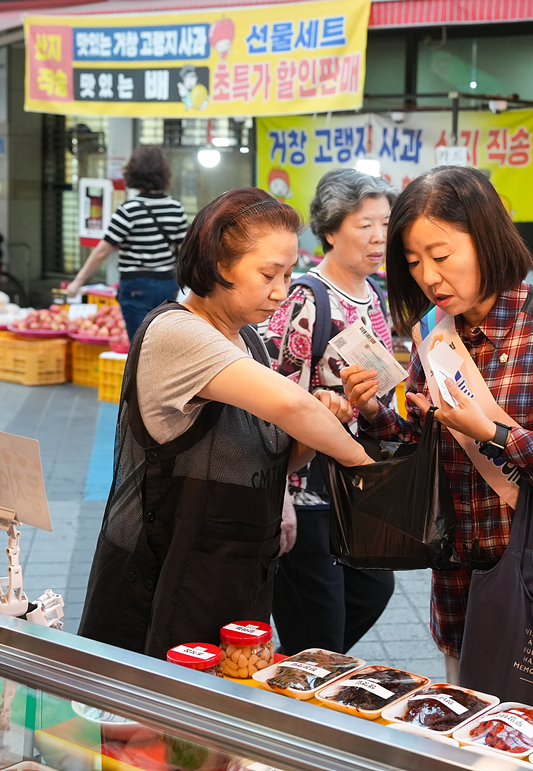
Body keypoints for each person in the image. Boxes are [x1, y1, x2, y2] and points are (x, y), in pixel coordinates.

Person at [342, 165, 533, 683]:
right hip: (460, 576)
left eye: (441, 256)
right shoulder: (434, 331)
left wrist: (495, 434)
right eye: (414, 261)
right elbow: (423, 436)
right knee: (464, 731)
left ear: (486, 239)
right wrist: (377, 412)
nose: (428, 276)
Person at [77, 187, 374, 659]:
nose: (282, 290)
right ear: (219, 265)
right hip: (162, 576)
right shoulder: (177, 332)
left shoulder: (249, 340)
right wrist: (363, 464)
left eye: (288, 272)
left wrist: (318, 429)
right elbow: (290, 409)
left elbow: (276, 454)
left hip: (232, 575)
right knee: (152, 724)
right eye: (268, 274)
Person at [259, 168, 397, 655]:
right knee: (318, 627)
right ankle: (296, 697)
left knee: (373, 590)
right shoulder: (306, 298)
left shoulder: (373, 297)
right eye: (365, 225)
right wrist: (277, 495)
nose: (379, 236)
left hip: (352, 487)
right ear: (332, 229)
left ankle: (297, 675)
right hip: (305, 488)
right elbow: (273, 395)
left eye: (385, 223)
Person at [66, 145, 188, 336]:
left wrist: (78, 281)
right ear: (164, 174)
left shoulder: (128, 210)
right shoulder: (176, 209)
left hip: (136, 286)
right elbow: (186, 251)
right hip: (167, 285)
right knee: (165, 341)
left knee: (140, 345)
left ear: (134, 174)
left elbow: (103, 251)